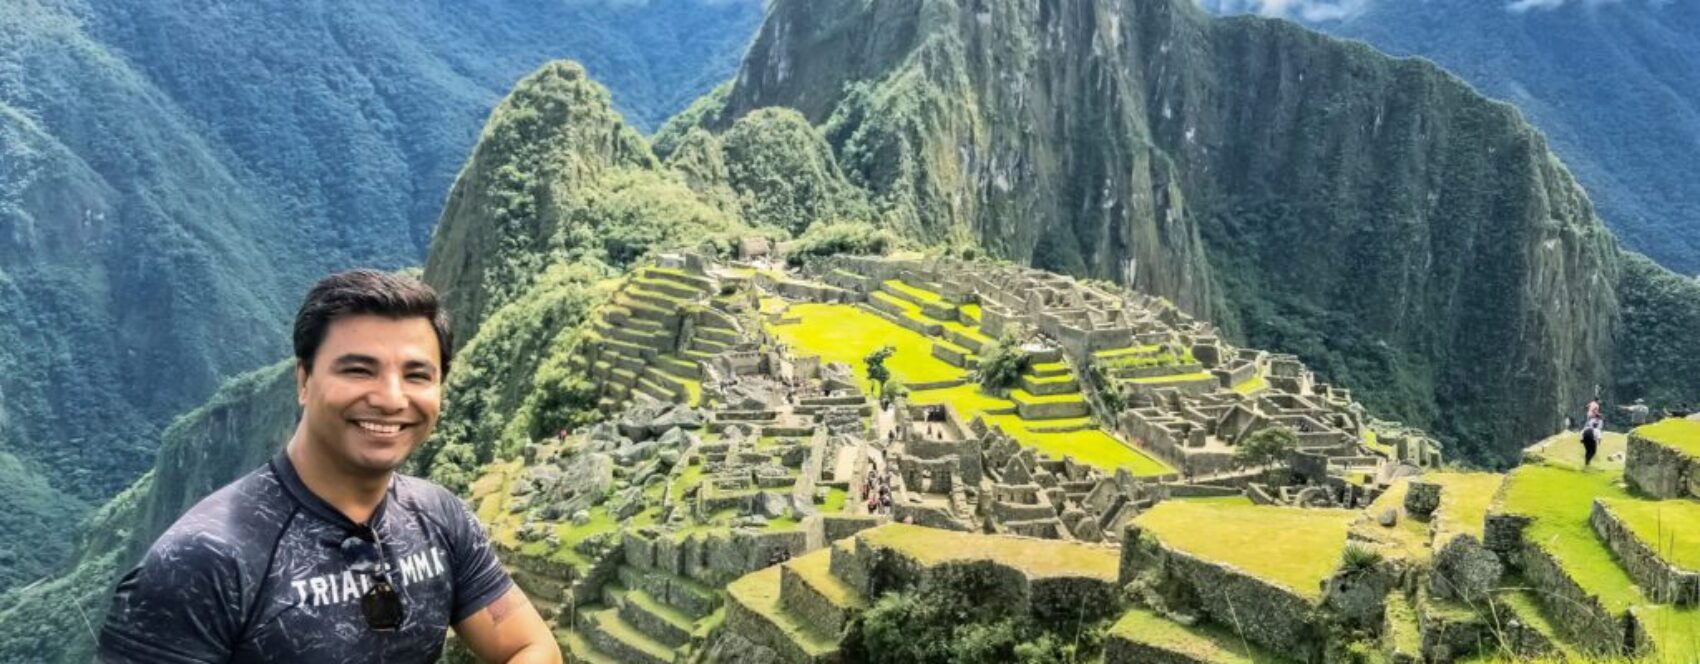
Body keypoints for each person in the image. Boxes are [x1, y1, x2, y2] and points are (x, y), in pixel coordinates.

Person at [98, 271, 562, 663]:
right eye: (359, 370)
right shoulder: (202, 560)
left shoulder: (438, 518)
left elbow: (529, 644)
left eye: (417, 375)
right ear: (304, 380)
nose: (390, 399)